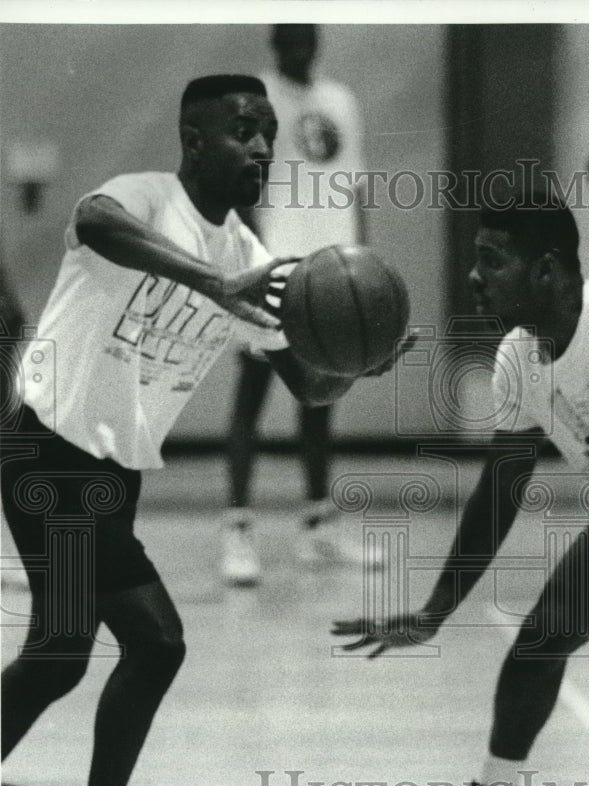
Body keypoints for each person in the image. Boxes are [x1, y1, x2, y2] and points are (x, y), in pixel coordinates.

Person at [0, 74, 360, 786]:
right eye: (244, 130)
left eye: (269, 132)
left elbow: (306, 387)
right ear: (194, 140)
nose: (263, 148)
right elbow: (91, 222)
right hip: (50, 452)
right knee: (152, 642)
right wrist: (209, 282)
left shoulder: (249, 262)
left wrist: (357, 352)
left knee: (58, 657)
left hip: (108, 474)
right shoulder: (144, 201)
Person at [333, 189, 589, 786]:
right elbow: (499, 493)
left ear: (545, 270)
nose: (474, 277)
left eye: (491, 260)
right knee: (538, 642)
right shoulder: (519, 356)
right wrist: (435, 611)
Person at [221, 23, 371, 585]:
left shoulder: (341, 102)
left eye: (307, 36)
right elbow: (243, 192)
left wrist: (362, 263)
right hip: (275, 268)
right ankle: (237, 529)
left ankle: (318, 529)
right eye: (290, 38)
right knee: (252, 397)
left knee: (320, 396)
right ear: (275, 41)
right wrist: (258, 266)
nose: (300, 47)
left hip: (334, 267)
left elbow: (353, 189)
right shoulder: (254, 102)